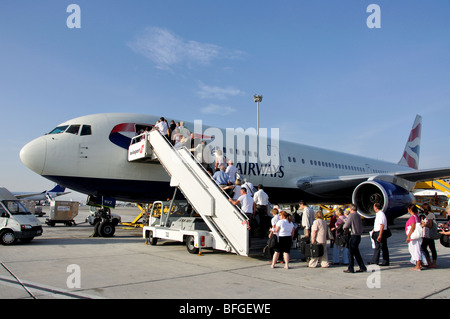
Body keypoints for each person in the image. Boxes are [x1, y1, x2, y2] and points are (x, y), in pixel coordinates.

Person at [343, 204, 367, 273]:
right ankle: (362, 267)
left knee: (350, 253)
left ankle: (350, 268)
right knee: (356, 252)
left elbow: (346, 225)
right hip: (358, 236)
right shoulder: (358, 215)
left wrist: (344, 226)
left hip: (353, 235)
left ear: (351, 209)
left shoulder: (351, 215)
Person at [406, 204, 424, 271]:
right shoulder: (416, 216)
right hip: (415, 236)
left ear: (410, 210)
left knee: (415, 250)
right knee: (416, 249)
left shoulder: (413, 217)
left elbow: (413, 227)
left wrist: (408, 236)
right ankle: (418, 264)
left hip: (414, 236)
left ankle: (418, 265)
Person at [421, 203, 438, 268]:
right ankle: (432, 262)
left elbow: (430, 225)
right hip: (428, 235)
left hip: (429, 235)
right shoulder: (430, 214)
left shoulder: (430, 215)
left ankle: (430, 262)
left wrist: (424, 225)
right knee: (431, 248)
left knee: (424, 247)